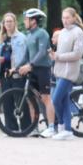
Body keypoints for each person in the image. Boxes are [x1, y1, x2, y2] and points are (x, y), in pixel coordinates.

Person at [47, 7, 83, 140]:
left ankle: (64, 126)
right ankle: (65, 130)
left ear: (74, 18)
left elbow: (77, 54)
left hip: (69, 72)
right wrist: (54, 56)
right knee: (63, 100)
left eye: (67, 18)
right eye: (63, 18)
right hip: (59, 70)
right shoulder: (62, 32)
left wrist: (58, 57)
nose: (65, 20)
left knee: (56, 99)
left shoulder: (78, 32)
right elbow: (60, 52)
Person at [17, 8, 55, 137]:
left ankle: (51, 127)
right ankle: (34, 128)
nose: (24, 22)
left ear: (33, 20)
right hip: (32, 69)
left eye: (26, 19)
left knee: (46, 98)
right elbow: (26, 56)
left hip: (42, 69)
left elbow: (42, 52)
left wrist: (30, 65)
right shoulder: (29, 36)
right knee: (30, 99)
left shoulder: (42, 33)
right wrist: (15, 68)